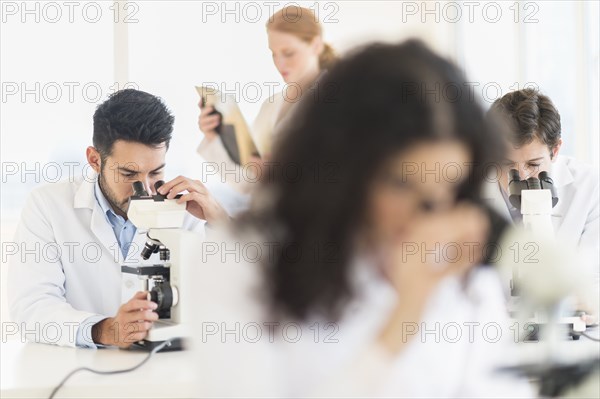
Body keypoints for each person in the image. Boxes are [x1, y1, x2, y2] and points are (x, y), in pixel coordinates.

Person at [190, 40, 532, 397]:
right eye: (400, 183)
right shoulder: (242, 260)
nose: (423, 215)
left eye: (447, 187)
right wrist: (405, 314)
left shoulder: (458, 259)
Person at [8, 89, 228, 348]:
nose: (145, 189)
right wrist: (105, 330)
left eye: (156, 172)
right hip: (85, 373)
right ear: (94, 160)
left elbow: (237, 297)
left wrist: (221, 223)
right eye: (128, 174)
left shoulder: (186, 210)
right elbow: (31, 307)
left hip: (172, 370)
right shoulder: (48, 205)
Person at [196, 5, 337, 195]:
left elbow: (344, 180)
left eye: (288, 53)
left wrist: (280, 176)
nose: (280, 63)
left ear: (316, 45)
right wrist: (214, 137)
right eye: (274, 53)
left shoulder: (339, 101)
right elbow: (248, 184)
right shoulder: (272, 105)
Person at [484, 88, 599, 319]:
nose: (522, 176)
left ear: (555, 150)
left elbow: (593, 277)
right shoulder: (472, 193)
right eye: (507, 164)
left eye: (534, 164)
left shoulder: (590, 188)